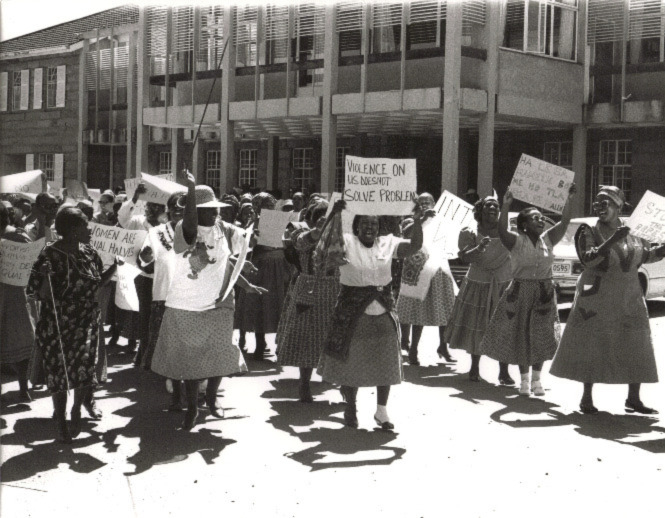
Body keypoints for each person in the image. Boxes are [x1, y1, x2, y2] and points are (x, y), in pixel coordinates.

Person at [151, 176, 265, 430]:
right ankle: (192, 407)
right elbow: (191, 222)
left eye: (216, 209)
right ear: (194, 211)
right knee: (191, 363)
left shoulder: (222, 229)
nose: (215, 213)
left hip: (219, 304)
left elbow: (230, 259)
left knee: (220, 353)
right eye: (209, 210)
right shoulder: (184, 229)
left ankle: (211, 399)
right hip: (186, 306)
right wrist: (191, 188)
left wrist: (246, 281)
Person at [550, 186, 665, 414]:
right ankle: (586, 398)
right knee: (593, 344)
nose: (600, 207)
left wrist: (662, 250)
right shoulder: (589, 231)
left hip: (630, 296)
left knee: (636, 345)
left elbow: (647, 255)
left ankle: (634, 399)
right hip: (599, 296)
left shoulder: (633, 231)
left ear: (618, 206)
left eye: (606, 203)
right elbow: (588, 260)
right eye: (597, 202)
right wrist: (611, 240)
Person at [318, 200, 429, 430]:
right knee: (351, 361)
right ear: (356, 226)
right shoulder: (345, 242)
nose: (370, 227)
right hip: (353, 310)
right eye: (365, 223)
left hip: (383, 308)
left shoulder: (388, 242)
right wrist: (335, 215)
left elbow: (414, 246)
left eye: (374, 224)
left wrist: (417, 220)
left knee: (386, 360)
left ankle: (381, 411)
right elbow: (324, 247)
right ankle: (350, 408)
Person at [27, 207, 115, 443]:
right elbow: (36, 292)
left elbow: (98, 284)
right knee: (60, 372)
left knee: (85, 368)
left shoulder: (89, 253)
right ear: (73, 230)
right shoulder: (49, 254)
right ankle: (61, 418)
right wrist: (44, 276)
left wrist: (116, 268)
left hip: (86, 320)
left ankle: (77, 408)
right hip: (56, 323)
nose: (90, 229)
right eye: (86, 225)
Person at [479, 185, 576, 396]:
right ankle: (524, 380)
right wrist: (506, 205)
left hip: (543, 291)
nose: (540, 220)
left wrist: (568, 199)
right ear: (523, 224)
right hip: (520, 291)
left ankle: (537, 380)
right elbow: (502, 230)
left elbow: (565, 221)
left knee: (541, 334)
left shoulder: (549, 239)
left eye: (541, 218)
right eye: (534, 218)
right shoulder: (516, 240)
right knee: (522, 334)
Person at [445, 196, 514, 384]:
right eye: (488, 204)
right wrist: (479, 248)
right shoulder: (469, 232)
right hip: (477, 284)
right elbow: (465, 258)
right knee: (477, 326)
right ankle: (475, 367)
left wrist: (507, 204)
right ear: (480, 211)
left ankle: (504, 371)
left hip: (502, 284)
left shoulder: (506, 232)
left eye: (496, 205)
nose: (493, 207)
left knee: (503, 327)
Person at [277, 200, 338, 402]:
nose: (324, 222)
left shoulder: (339, 238)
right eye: (318, 218)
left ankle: (337, 379)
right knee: (307, 337)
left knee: (335, 337)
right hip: (309, 288)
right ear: (310, 220)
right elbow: (303, 242)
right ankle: (304, 383)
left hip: (334, 289)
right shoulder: (300, 234)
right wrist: (320, 228)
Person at [396, 193, 457, 366]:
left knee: (445, 309)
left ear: (434, 203)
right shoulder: (411, 220)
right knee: (419, 312)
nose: (424, 205)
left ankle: (443, 347)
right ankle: (413, 348)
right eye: (421, 203)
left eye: (427, 202)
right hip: (419, 272)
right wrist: (421, 219)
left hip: (439, 270)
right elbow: (407, 234)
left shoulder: (442, 221)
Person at [136, 192, 184, 410]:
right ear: (168, 209)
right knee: (168, 339)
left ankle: (195, 378)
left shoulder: (201, 231)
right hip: (164, 293)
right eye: (174, 206)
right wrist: (145, 258)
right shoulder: (156, 233)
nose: (178, 210)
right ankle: (172, 376)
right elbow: (144, 261)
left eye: (184, 206)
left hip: (193, 295)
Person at [240, 192, 292, 360]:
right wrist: (254, 236)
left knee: (279, 305)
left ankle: (280, 345)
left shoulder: (281, 222)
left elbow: (288, 243)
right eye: (264, 206)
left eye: (271, 206)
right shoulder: (252, 224)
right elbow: (247, 246)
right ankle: (260, 344)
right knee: (260, 305)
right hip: (261, 269)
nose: (268, 209)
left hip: (278, 267)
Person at [116, 182, 167, 357]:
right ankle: (140, 349)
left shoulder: (167, 225)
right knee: (142, 313)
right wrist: (135, 197)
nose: (153, 209)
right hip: (142, 274)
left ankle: (155, 352)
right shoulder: (137, 221)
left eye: (157, 206)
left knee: (159, 315)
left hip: (162, 276)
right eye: (150, 206)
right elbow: (122, 219)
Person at [0, 203, 36, 403]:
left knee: (21, 343)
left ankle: (24, 389)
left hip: (14, 297)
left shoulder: (18, 236)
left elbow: (31, 264)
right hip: (13, 297)